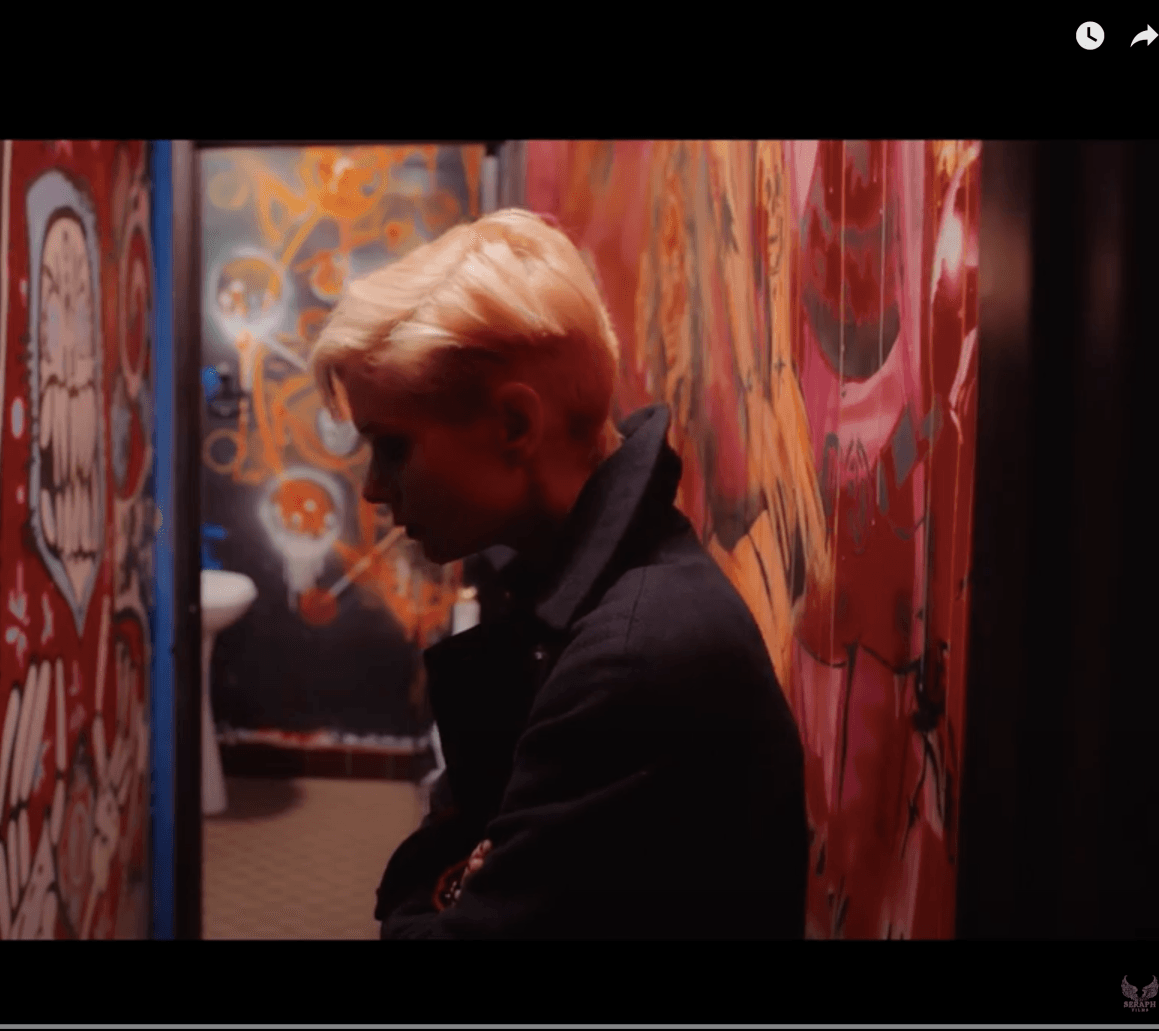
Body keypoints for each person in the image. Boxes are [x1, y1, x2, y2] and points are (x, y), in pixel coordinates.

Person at [308, 208, 809, 939]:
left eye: (392, 447)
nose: (374, 489)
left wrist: (438, 886)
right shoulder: (581, 591)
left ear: (515, 425)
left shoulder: (632, 657)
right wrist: (461, 871)